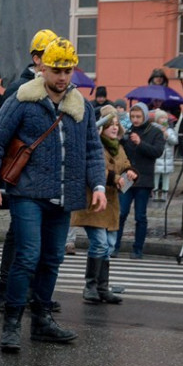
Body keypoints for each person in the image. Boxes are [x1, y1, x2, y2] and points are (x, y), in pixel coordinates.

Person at [0, 38, 106, 353]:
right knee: (27, 255)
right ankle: (11, 324)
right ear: (43, 67)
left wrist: (99, 185)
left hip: (64, 195)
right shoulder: (23, 100)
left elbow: (93, 149)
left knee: (53, 258)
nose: (62, 77)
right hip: (28, 192)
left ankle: (41, 321)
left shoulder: (81, 106)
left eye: (67, 70)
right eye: (56, 70)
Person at [0, 28, 57, 311]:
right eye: (49, 56)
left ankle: (33, 293)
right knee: (17, 237)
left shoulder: (59, 89)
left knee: (37, 240)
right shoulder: (18, 88)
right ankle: (6, 292)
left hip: (46, 179)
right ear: (36, 58)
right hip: (23, 176)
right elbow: (2, 136)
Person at [70, 105, 134, 304]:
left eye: (116, 124)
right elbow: (93, 168)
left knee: (109, 245)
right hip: (95, 204)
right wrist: (113, 177)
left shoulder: (119, 147)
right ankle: (90, 286)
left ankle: (102, 287)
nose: (114, 128)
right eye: (110, 125)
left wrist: (131, 172)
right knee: (100, 244)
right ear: (101, 127)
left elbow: (125, 164)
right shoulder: (94, 145)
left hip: (112, 204)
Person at [114, 102, 165, 259]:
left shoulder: (155, 132)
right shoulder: (128, 131)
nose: (135, 120)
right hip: (127, 177)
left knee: (140, 216)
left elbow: (157, 152)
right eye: (133, 116)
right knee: (121, 213)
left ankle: (138, 249)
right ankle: (114, 246)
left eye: (138, 116)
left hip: (144, 179)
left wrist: (140, 143)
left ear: (144, 116)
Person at [152, 109, 179, 203]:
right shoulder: (153, 129)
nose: (164, 120)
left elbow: (175, 141)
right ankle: (154, 192)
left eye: (165, 118)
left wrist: (167, 135)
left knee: (166, 176)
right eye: (161, 118)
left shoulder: (170, 130)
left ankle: (164, 193)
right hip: (157, 157)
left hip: (167, 157)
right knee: (155, 175)